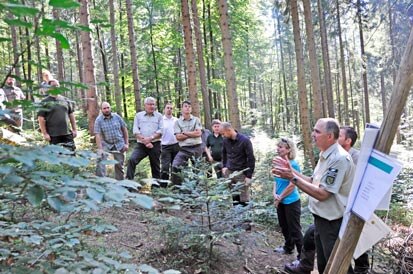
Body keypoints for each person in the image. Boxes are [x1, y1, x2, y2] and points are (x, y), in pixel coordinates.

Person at [274, 118, 355, 274]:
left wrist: (292, 177)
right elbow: (313, 181)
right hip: (321, 220)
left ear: (330, 136)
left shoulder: (338, 159)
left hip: (332, 223)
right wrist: (290, 170)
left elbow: (323, 194)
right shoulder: (326, 155)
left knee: (337, 268)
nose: (313, 134)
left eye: (317, 131)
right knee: (325, 266)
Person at [272, 138, 303, 259]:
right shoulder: (278, 162)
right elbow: (275, 180)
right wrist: (275, 193)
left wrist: (280, 197)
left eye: (281, 147)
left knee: (294, 229)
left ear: (289, 149)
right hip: (280, 200)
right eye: (278, 147)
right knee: (284, 226)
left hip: (291, 201)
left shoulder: (293, 164)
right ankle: (288, 247)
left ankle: (302, 256)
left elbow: (293, 184)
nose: (278, 149)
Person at [126, 97, 163, 181]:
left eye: (153, 104)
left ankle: (156, 189)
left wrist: (150, 138)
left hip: (155, 145)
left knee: (155, 167)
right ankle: (128, 184)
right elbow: (135, 130)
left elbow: (161, 130)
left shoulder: (159, 116)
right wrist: (145, 141)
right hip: (141, 145)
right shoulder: (138, 116)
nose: (152, 106)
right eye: (150, 104)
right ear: (145, 105)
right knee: (132, 160)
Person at [220, 122, 255, 206]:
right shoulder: (225, 141)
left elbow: (251, 158)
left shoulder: (245, 141)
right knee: (234, 196)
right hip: (230, 172)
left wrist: (248, 176)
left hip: (242, 173)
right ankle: (236, 218)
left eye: (223, 133)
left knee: (244, 199)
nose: (223, 136)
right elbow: (224, 154)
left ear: (229, 130)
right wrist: (224, 166)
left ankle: (246, 218)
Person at [37, 79, 77, 150]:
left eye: (57, 85)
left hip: (67, 133)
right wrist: (45, 133)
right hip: (53, 135)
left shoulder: (66, 100)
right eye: (53, 86)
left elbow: (71, 115)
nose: (55, 87)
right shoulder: (45, 102)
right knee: (56, 157)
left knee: (71, 154)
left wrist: (74, 129)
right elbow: (41, 119)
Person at [94, 102, 129, 180]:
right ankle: (101, 182)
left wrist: (126, 143)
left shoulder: (117, 117)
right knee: (100, 160)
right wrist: (100, 149)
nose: (106, 110)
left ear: (110, 108)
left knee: (119, 165)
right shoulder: (98, 120)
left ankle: (120, 183)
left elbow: (124, 129)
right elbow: (97, 135)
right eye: (104, 108)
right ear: (101, 110)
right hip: (106, 143)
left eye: (108, 108)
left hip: (119, 143)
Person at [171, 100, 203, 185]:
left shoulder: (196, 120)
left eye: (189, 106)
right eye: (185, 106)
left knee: (198, 169)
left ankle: (198, 189)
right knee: (175, 166)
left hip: (197, 147)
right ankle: (179, 187)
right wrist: (192, 133)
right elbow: (178, 137)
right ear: (181, 109)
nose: (187, 108)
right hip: (184, 149)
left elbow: (199, 133)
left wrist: (184, 132)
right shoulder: (177, 122)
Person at [160, 102, 180, 183]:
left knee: (176, 166)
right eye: (167, 108)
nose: (169, 110)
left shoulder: (176, 120)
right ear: (164, 109)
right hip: (165, 146)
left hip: (176, 145)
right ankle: (164, 186)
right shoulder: (161, 120)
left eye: (171, 108)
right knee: (165, 167)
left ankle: (176, 185)